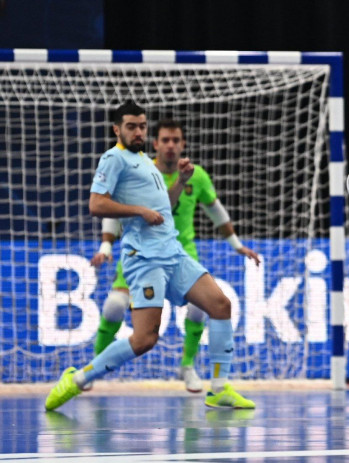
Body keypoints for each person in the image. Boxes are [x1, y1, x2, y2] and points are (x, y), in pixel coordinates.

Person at [45, 102, 255, 411]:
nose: (139, 131)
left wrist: (181, 182)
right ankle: (77, 379)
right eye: (131, 126)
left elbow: (163, 209)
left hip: (173, 252)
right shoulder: (114, 158)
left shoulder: (145, 161)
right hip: (144, 259)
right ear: (118, 129)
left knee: (221, 305)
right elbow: (96, 204)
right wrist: (137, 211)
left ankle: (220, 388)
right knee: (144, 340)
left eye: (142, 125)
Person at [89, 119, 259, 393]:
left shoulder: (198, 175)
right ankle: (94, 366)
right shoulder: (140, 171)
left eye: (176, 140)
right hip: (142, 255)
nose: (170, 145)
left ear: (183, 144)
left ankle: (188, 366)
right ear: (155, 144)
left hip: (181, 254)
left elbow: (216, 211)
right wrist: (106, 246)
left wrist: (237, 245)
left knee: (203, 308)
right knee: (114, 307)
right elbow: (112, 208)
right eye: (165, 140)